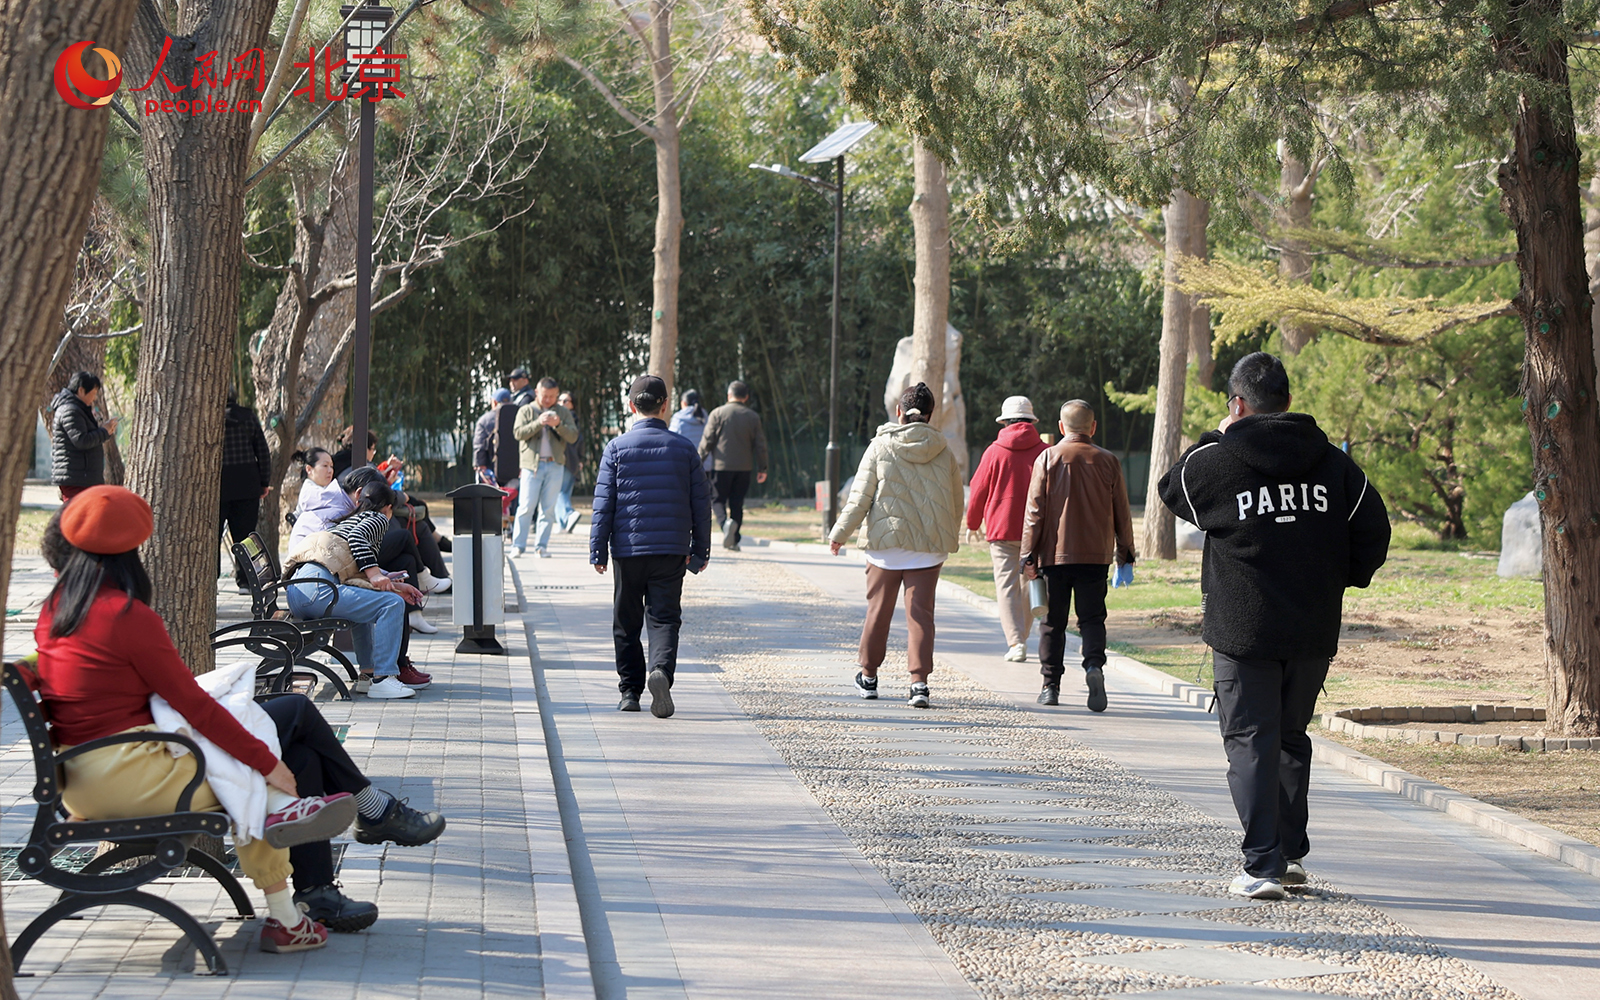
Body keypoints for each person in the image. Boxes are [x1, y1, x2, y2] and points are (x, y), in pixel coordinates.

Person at [29, 487, 395, 954]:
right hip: (129, 776)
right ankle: (329, 832)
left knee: (297, 753)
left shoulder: (55, 612)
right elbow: (192, 706)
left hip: (83, 778)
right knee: (265, 751)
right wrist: (266, 762)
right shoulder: (126, 616)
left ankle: (303, 898)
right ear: (130, 554)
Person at [1157, 352, 1390, 901]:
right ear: (1288, 401)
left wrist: (1218, 434)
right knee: (1288, 738)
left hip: (1243, 630)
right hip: (1311, 627)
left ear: (1237, 404)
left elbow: (1173, 487)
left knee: (1249, 740)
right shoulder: (1336, 466)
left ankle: (1262, 864)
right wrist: (1340, 579)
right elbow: (1374, 531)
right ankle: (1287, 855)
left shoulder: (1216, 460)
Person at [828, 382, 964, 709]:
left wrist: (839, 533)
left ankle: (869, 677)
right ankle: (919, 684)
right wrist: (948, 534)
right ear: (931, 414)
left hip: (884, 547)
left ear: (899, 411)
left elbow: (860, 497)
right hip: (928, 549)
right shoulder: (944, 451)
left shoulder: (880, 447)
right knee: (921, 616)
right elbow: (956, 502)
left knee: (878, 611)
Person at [589, 375, 711, 718]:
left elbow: (604, 504)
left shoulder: (616, 448)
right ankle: (661, 671)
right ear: (665, 405)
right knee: (664, 618)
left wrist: (598, 549)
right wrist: (700, 550)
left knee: (626, 621)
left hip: (628, 550)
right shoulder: (684, 449)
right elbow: (701, 504)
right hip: (671, 549)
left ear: (631, 406)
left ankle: (630, 691)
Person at [1020, 400, 1135, 713]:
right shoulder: (1109, 460)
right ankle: (1093, 666)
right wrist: (1125, 552)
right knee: (1092, 619)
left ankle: (1050, 686)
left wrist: (1027, 555)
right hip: (1096, 556)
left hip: (1054, 555)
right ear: (1093, 427)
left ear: (1061, 427)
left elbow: (1034, 512)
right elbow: (1122, 512)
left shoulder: (1048, 458)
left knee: (1052, 622)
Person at [283, 479, 431, 698]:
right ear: (388, 508)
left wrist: (389, 582)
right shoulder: (378, 518)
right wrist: (375, 575)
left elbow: (351, 570)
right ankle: (383, 679)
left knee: (368, 602)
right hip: (319, 590)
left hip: (300, 592)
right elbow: (357, 539)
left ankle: (368, 675)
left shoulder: (350, 520)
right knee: (392, 604)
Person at [966, 396, 1048, 663]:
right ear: (1031, 421)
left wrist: (973, 523)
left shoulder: (993, 452)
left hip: (1002, 529)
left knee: (1006, 587)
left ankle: (1016, 642)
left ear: (1004, 422)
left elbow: (978, 490)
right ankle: (1021, 637)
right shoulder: (1046, 452)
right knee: (1028, 583)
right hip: (1037, 531)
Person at [512, 376, 578, 557]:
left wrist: (558, 425)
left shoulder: (562, 412)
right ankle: (518, 545)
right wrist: (538, 423)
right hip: (531, 466)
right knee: (526, 507)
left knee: (548, 509)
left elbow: (573, 436)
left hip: (555, 465)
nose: (548, 399)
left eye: (552, 396)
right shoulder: (526, 410)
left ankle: (541, 547)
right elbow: (518, 433)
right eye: (545, 396)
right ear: (537, 393)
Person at [699, 380, 769, 551]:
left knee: (717, 500)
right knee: (737, 503)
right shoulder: (752, 416)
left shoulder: (718, 413)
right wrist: (762, 468)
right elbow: (760, 445)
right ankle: (735, 539)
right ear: (746, 397)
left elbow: (707, 440)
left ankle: (725, 525)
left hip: (721, 467)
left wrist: (698, 461)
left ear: (729, 395)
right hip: (744, 468)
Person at [220, 388, 274, 592]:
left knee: (213, 535)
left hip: (219, 487)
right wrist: (264, 482)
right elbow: (262, 451)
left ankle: (210, 579)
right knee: (246, 536)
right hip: (247, 485)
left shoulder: (209, 419)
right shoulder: (248, 417)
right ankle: (246, 581)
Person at [49, 371, 118, 502]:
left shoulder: (78, 409)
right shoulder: (70, 410)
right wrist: (104, 431)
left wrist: (105, 430)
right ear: (81, 390)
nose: (95, 397)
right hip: (77, 479)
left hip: (82, 477)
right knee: (78, 513)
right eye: (94, 392)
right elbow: (82, 440)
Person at [555, 390, 584, 533]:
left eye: (565, 401)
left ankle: (569, 514)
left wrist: (580, 458)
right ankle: (564, 524)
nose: (562, 403)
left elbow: (579, 441)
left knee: (559, 491)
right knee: (563, 492)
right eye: (560, 400)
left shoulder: (567, 419)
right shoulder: (567, 418)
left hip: (566, 459)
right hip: (571, 460)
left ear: (572, 404)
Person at [669, 389, 711, 472]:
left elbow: (670, 440)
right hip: (705, 464)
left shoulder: (678, 418)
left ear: (684, 403)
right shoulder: (705, 416)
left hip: (685, 464)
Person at [474, 388, 510, 482]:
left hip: (491, 465)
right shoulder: (516, 417)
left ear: (494, 402)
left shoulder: (484, 420)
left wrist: (480, 464)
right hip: (512, 467)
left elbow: (479, 444)